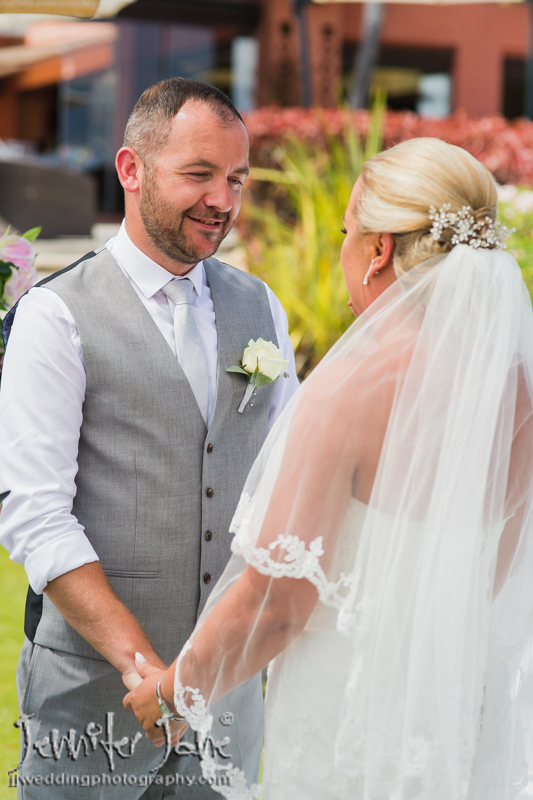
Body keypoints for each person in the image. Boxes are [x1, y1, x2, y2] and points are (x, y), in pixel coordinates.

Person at [124, 137, 533, 800]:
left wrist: (170, 693)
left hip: (351, 718)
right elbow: (500, 576)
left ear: (377, 252)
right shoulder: (518, 390)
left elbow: (278, 600)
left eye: (347, 235)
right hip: (461, 717)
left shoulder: (350, 390)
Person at [0, 78, 298, 799]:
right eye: (198, 174)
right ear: (131, 170)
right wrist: (145, 670)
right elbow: (34, 514)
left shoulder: (259, 304)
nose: (222, 201)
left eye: (234, 179)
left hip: (225, 704)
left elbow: (287, 484)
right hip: (93, 702)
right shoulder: (55, 316)